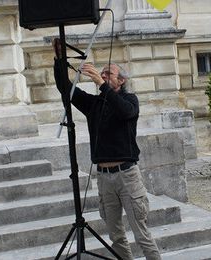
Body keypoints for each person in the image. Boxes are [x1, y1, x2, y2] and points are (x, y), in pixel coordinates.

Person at [52, 39, 161, 260]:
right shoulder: (95, 104)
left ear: (121, 80)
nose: (102, 76)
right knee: (116, 235)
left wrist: (101, 84)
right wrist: (59, 60)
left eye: (108, 74)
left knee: (141, 234)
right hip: (104, 177)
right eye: (101, 73)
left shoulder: (130, 100)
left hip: (127, 176)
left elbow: (124, 112)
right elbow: (66, 89)